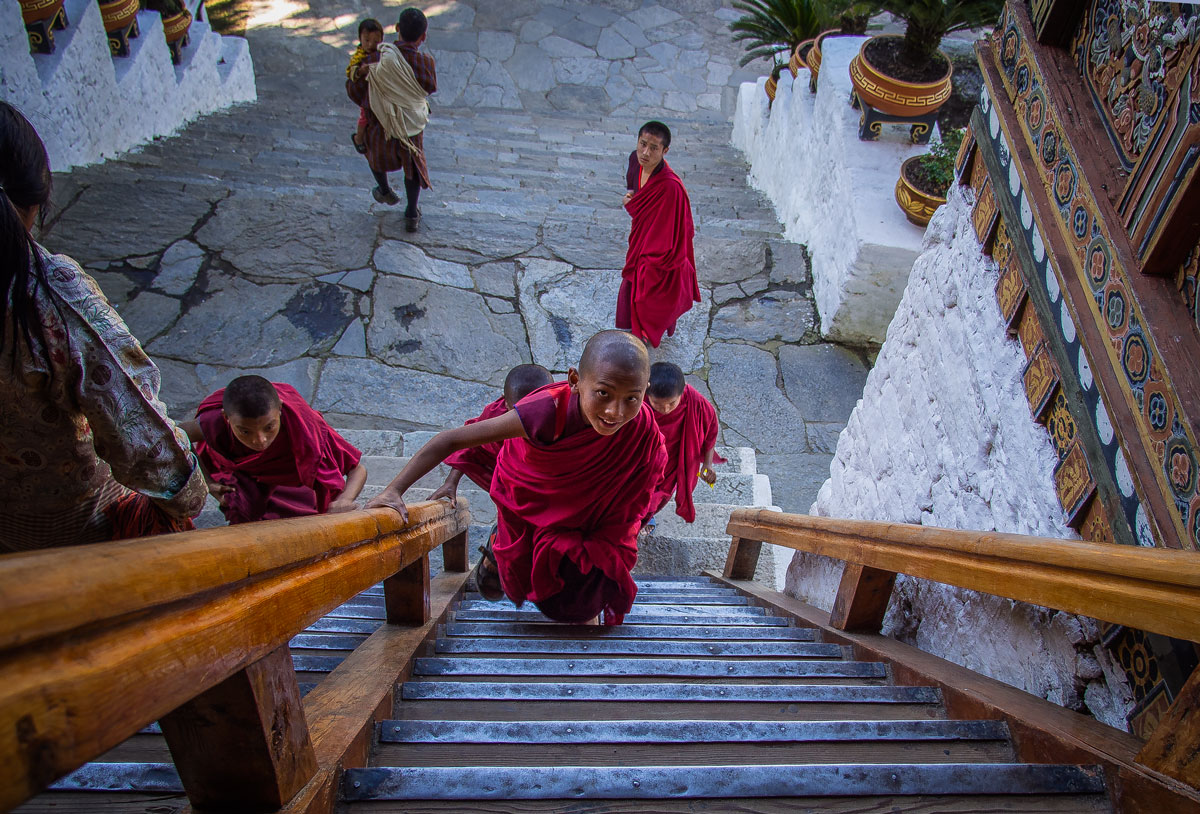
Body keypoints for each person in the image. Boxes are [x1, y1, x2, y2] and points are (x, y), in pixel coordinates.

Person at [0, 102, 208, 552]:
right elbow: (136, 425)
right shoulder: (49, 295)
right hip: (75, 532)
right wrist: (188, 497)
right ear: (35, 199)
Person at [368, 331, 667, 625]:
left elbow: (644, 478)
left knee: (596, 576)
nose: (615, 411)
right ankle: (498, 552)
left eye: (632, 398)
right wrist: (394, 490)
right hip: (529, 500)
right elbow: (450, 440)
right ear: (575, 381)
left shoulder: (641, 428)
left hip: (592, 513)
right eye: (603, 393)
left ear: (645, 391)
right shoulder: (545, 411)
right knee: (526, 571)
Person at [180, 376, 366, 525]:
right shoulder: (212, 422)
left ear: (280, 410)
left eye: (269, 427)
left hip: (290, 478)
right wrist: (208, 482)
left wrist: (344, 500)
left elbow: (357, 469)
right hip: (242, 473)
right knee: (241, 510)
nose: (259, 440)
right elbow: (178, 436)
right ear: (226, 418)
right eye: (245, 431)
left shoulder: (304, 426)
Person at [347, 7, 436, 232]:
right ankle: (411, 212)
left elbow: (355, 91)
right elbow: (430, 86)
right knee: (413, 166)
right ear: (423, 37)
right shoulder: (426, 63)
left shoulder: (376, 59)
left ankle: (384, 189)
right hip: (410, 127)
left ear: (397, 30)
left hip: (382, 125)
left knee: (372, 152)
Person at [618, 120, 701, 348]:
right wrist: (631, 198)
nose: (645, 153)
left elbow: (677, 228)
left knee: (647, 283)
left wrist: (651, 258)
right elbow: (632, 185)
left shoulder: (671, 187)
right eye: (642, 144)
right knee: (633, 281)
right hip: (642, 236)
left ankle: (646, 332)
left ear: (665, 151)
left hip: (659, 247)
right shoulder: (635, 161)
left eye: (654, 148)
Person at [429, 363, 554, 502]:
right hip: (514, 482)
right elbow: (469, 446)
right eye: (519, 412)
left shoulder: (564, 414)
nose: (528, 419)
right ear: (505, 403)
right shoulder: (495, 415)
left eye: (536, 410)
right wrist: (451, 482)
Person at [644, 362, 724, 527]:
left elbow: (710, 432)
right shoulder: (637, 399)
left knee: (657, 498)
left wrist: (707, 465)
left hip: (671, 464)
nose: (665, 409)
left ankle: (646, 518)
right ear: (647, 391)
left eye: (672, 403)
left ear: (683, 391)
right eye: (657, 404)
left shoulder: (696, 403)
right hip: (642, 460)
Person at [347, 19, 385, 155]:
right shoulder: (359, 57)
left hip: (379, 93)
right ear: (360, 39)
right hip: (366, 95)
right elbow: (351, 72)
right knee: (364, 117)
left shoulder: (382, 54)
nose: (370, 45)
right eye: (367, 40)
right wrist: (360, 72)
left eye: (375, 42)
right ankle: (359, 138)